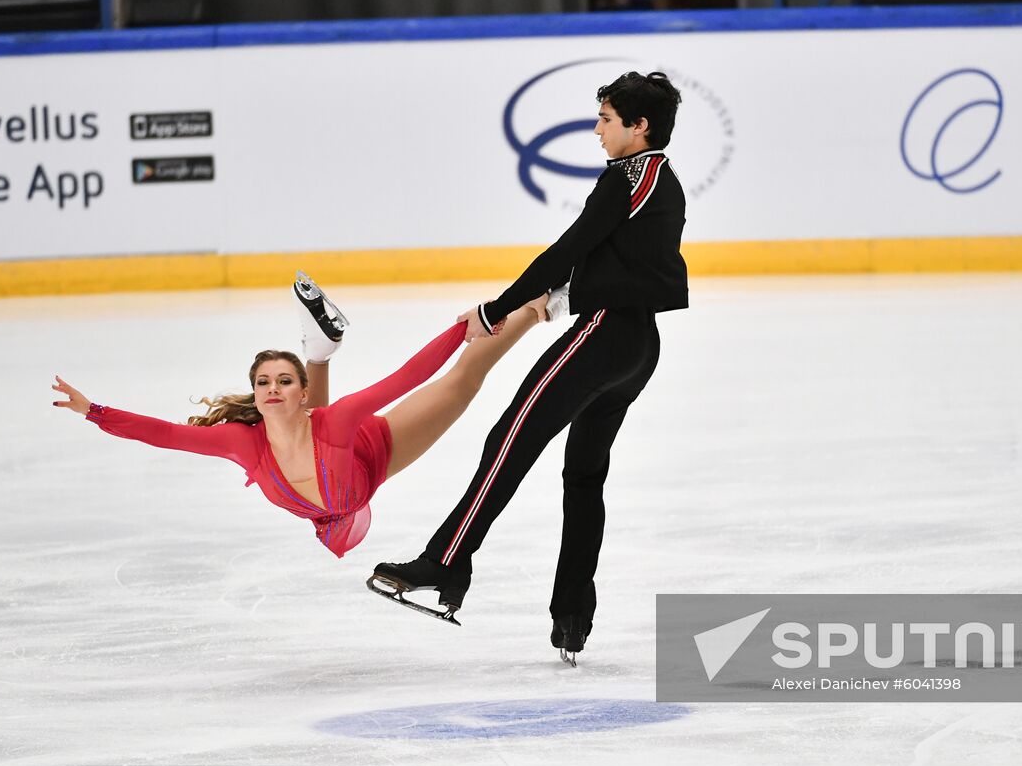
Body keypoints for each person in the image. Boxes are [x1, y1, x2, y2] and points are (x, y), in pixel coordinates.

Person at [372, 71, 689, 664]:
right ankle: (573, 616)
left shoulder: (626, 176)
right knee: (583, 478)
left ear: (638, 126)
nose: (597, 130)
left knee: (509, 438)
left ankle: (445, 562)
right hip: (639, 346)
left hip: (601, 335)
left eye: (606, 119)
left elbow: (568, 248)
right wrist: (554, 299)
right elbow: (615, 255)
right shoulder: (661, 181)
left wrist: (497, 309)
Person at [52, 273, 549, 559]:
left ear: (300, 391)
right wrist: (94, 411)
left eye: (284, 381)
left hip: (374, 454)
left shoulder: (336, 421)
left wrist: (471, 324)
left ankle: (536, 306)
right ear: (254, 391)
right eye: (264, 382)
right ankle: (320, 349)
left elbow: (405, 379)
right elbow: (166, 435)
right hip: (336, 478)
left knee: (462, 381)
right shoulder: (242, 444)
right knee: (317, 428)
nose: (272, 389)